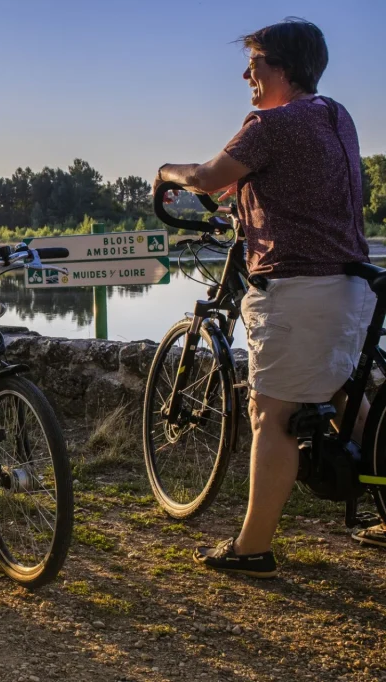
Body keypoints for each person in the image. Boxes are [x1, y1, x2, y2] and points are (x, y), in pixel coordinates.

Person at [152, 19, 378, 577]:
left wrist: (166, 174)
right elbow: (301, 183)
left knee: (270, 414)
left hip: (299, 288)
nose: (246, 73)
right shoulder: (334, 115)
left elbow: (206, 175)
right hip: (348, 286)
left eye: (254, 63)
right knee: (347, 397)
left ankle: (252, 548)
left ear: (281, 68)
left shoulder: (269, 124)